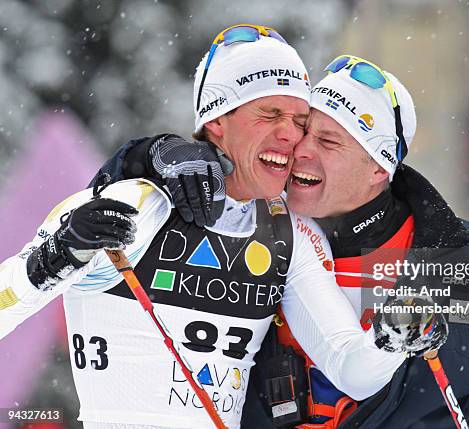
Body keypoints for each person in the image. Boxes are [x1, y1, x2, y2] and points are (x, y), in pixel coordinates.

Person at [112, 54, 469, 428]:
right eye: (305, 131)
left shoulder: (463, 258)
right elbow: (102, 214)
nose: (301, 151)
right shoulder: (242, 224)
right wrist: (150, 154)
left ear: (379, 168)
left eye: (331, 142)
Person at [0, 27, 437, 429]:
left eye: (300, 121)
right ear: (216, 121)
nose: (291, 135)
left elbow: (351, 370)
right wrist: (54, 258)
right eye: (269, 114)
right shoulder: (138, 203)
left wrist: (391, 339)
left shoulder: (289, 232)